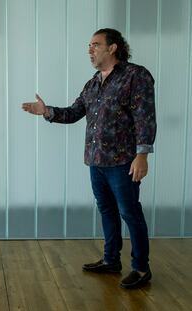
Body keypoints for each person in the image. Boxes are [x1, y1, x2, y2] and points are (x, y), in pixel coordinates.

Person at [22, 28, 156, 289]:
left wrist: (142, 155)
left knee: (130, 213)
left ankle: (141, 268)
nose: (90, 50)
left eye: (96, 45)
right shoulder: (93, 82)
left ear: (113, 48)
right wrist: (46, 111)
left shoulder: (135, 76)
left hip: (123, 161)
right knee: (106, 210)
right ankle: (111, 260)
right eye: (89, 46)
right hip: (96, 161)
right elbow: (74, 112)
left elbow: (145, 118)